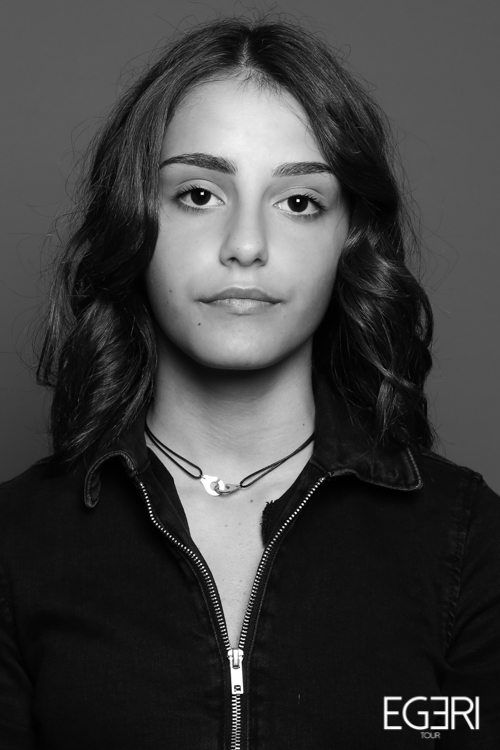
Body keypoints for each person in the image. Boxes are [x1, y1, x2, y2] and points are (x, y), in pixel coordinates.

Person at [0, 15, 499, 749]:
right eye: (200, 194)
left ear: (349, 238)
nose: (245, 245)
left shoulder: (469, 537)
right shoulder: (15, 543)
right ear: (134, 220)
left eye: (299, 202)